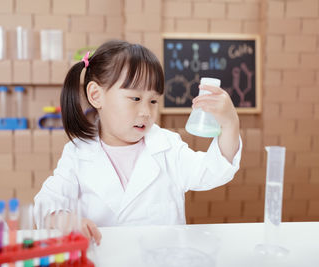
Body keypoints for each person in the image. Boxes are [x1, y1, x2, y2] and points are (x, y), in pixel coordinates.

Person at [34, 40, 242, 245]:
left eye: (153, 101)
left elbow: (213, 170)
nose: (146, 112)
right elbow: (47, 203)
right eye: (135, 99)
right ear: (96, 95)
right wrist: (65, 220)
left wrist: (230, 124)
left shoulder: (167, 147)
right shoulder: (77, 153)